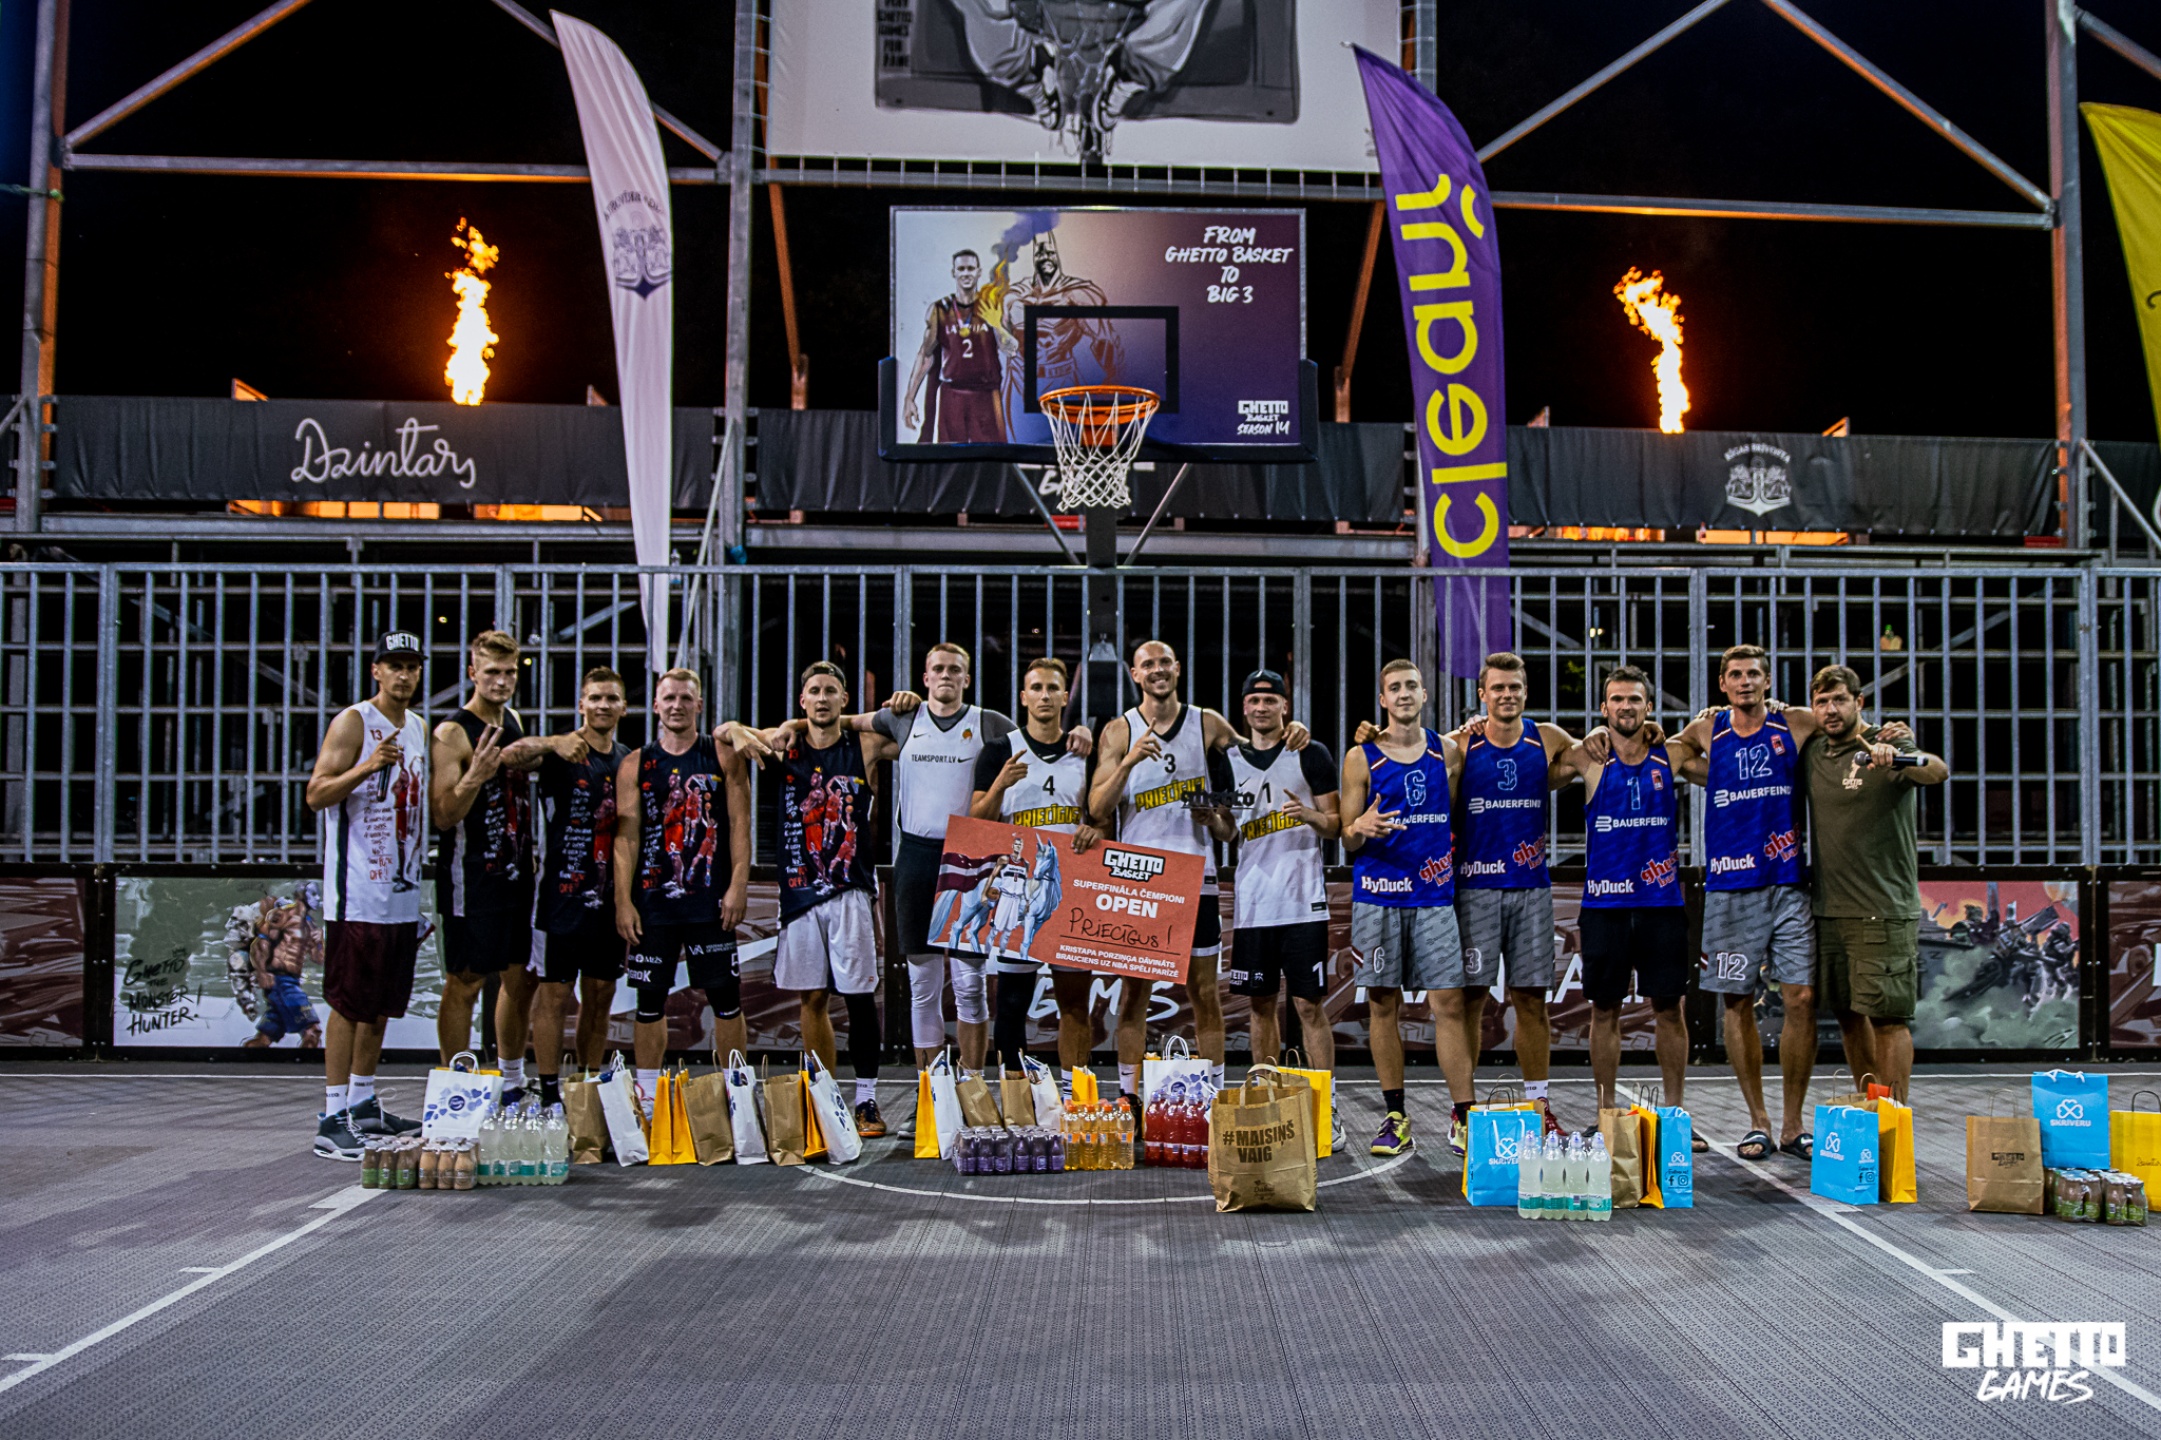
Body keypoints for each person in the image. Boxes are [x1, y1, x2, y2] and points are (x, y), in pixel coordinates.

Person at [1659, 644, 1836, 1162]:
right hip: (1731, 885)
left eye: (1753, 674)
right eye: (1735, 675)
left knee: (1800, 998)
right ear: (1722, 684)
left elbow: (1843, 726)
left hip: (1788, 882)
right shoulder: (1707, 729)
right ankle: (1758, 1121)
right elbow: (1667, 754)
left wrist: (1891, 737)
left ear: (1768, 680)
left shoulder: (1794, 722)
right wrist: (1701, 764)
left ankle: (1793, 1124)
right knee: (1737, 1001)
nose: (1744, 682)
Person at [1088, 639, 1259, 1111]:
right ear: (1135, 674)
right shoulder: (1119, 730)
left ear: (1178, 669)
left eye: (1165, 662)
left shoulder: (1208, 723)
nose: (1158, 669)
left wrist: (1217, 818)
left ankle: (1215, 1098)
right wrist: (1128, 762)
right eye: (1148, 664)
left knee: (1204, 993)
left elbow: (1254, 771)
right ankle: (1128, 1098)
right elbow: (1097, 808)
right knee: (1134, 993)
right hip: (1141, 880)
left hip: (1195, 877)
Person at [303, 630, 430, 1159]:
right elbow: (316, 793)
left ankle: (361, 1102)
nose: (403, 675)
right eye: (394, 665)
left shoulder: (419, 727)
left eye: (411, 666)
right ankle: (332, 1116)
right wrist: (366, 767)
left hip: (400, 891)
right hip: (357, 891)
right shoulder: (354, 721)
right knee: (349, 1004)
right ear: (376, 670)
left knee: (380, 1008)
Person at [1447, 652, 1581, 1141]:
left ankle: (1539, 1104)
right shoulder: (1461, 744)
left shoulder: (1547, 739)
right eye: (1498, 687)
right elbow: (1411, 755)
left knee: (1531, 999)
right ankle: (1463, 1113)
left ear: (1526, 692)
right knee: (1471, 999)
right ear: (1482, 693)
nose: (1507, 694)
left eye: (1515, 687)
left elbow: (1595, 750)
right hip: (1476, 887)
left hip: (1530, 889)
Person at [759, 662, 897, 1135]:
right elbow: (727, 735)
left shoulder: (863, 745)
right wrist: (787, 728)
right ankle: (823, 1097)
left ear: (844, 700)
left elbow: (909, 733)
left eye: (831, 691)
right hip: (799, 891)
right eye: (814, 691)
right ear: (802, 700)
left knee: (859, 997)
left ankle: (867, 1100)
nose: (822, 698)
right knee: (812, 997)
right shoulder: (785, 746)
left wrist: (888, 709)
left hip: (850, 889)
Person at [1798, 664, 1945, 1104]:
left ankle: (1893, 1118)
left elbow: (1936, 771)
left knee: (1888, 1020)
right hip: (1829, 911)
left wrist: (1897, 756)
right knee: (1848, 1016)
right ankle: (1870, 1107)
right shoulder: (1815, 750)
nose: (1830, 710)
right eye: (1822, 702)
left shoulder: (1886, 741)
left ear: (1859, 702)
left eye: (1839, 700)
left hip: (1882, 911)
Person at [610, 669, 757, 1106]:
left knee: (725, 999)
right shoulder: (636, 763)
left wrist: (739, 884)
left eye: (685, 698)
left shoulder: (722, 754)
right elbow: (626, 836)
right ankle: (648, 1097)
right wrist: (622, 900)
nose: (677, 705)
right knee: (649, 1002)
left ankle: (737, 1093)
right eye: (669, 698)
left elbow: (740, 824)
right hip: (653, 902)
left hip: (710, 901)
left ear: (699, 705)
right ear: (656, 705)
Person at [1338, 659, 1466, 1158]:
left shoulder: (1448, 752)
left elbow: (1451, 815)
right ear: (1383, 699)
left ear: (1424, 694)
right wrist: (1359, 828)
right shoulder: (1360, 757)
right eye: (1395, 687)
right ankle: (1395, 1116)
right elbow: (1347, 838)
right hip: (1378, 894)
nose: (1405, 693)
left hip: (1433, 895)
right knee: (1382, 1003)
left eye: (1412, 685)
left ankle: (1463, 1116)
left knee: (1448, 1004)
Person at [1557, 665, 1690, 1120]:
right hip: (1605, 905)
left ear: (1649, 706)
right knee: (1604, 1010)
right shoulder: (1588, 757)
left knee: (1669, 1010)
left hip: (1661, 903)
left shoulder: (1670, 754)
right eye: (1617, 699)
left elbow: (1714, 746)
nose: (1626, 706)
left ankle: (1675, 1113)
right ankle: (1606, 1113)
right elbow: (1541, 760)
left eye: (1635, 699)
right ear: (1604, 707)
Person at [1222, 669, 1344, 1153]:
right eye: (1254, 700)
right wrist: (1211, 818)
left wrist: (1310, 816)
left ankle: (1326, 1108)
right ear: (1244, 708)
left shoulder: (1310, 753)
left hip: (1302, 901)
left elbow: (1336, 824)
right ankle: (1266, 1101)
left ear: (1284, 707)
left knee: (1309, 1006)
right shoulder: (1228, 759)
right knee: (1259, 1005)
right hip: (1254, 903)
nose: (1261, 707)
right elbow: (1226, 831)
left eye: (1270, 699)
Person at [429, 630, 555, 1097]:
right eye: (491, 672)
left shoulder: (513, 721)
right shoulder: (452, 733)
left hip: (517, 875)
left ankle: (511, 1080)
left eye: (509, 672)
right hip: (472, 876)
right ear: (472, 673)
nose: (501, 681)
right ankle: (455, 1090)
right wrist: (474, 778)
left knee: (520, 979)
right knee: (464, 981)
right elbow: (443, 815)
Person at [971, 657, 1101, 1095]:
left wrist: (1095, 830)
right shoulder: (999, 750)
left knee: (1075, 1003)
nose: (1045, 695)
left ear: (1065, 697)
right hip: (1018, 891)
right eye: (1037, 688)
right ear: (1024, 697)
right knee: (1011, 1003)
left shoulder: (1083, 753)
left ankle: (1072, 1097)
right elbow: (976, 821)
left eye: (1052, 688)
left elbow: (1103, 819)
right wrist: (1000, 785)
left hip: (1071, 891)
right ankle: (1017, 1100)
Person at [529, 667, 631, 1105]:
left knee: (601, 994)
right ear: (581, 704)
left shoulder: (628, 760)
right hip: (561, 898)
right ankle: (549, 1093)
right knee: (554, 995)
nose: (603, 705)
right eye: (595, 698)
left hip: (609, 901)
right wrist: (551, 742)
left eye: (611, 698)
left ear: (624, 707)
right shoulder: (562, 753)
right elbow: (509, 755)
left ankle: (587, 1090)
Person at [902, 249, 1009, 443]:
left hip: (985, 393)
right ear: (954, 272)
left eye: (970, 268)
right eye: (961, 269)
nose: (966, 273)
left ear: (978, 272)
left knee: (991, 454)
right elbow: (926, 355)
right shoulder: (939, 310)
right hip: (953, 394)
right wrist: (910, 397)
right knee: (950, 454)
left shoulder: (992, 306)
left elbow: (1010, 348)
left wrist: (999, 327)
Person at [240, 890, 323, 1051]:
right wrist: (262, 972)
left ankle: (246, 1059)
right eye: (313, 893)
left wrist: (319, 943)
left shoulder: (310, 925)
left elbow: (318, 958)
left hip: (292, 980)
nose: (318, 898)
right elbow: (260, 944)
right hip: (280, 981)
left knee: (265, 1038)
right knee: (312, 1031)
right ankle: (307, 1064)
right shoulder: (282, 917)